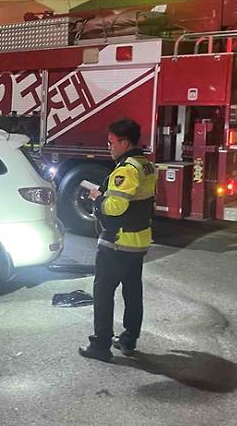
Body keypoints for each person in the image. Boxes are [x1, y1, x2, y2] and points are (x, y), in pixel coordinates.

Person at [79, 118, 156, 362]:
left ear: (124, 142)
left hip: (117, 241)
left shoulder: (126, 170)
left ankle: (101, 345)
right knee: (133, 292)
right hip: (138, 241)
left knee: (103, 292)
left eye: (111, 142)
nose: (108, 147)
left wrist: (97, 199)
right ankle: (129, 338)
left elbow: (116, 207)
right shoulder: (146, 164)